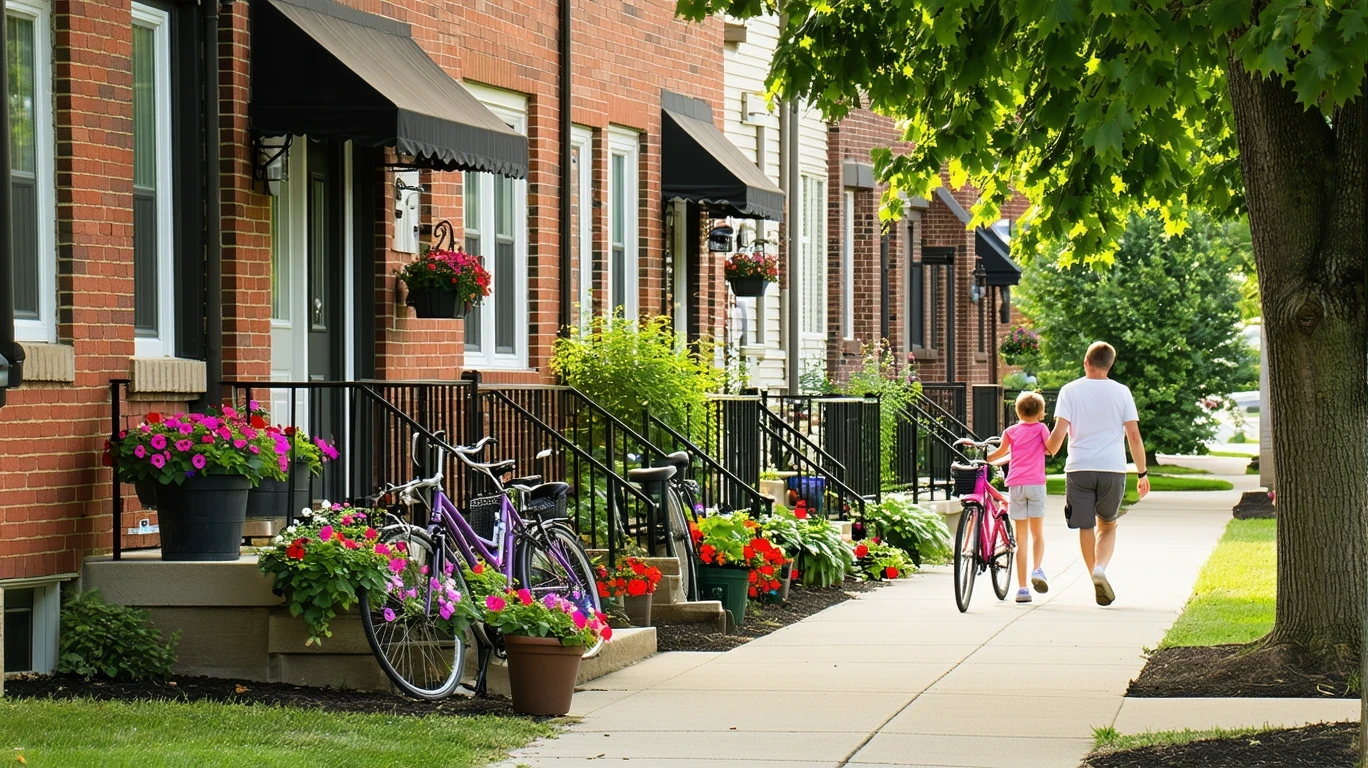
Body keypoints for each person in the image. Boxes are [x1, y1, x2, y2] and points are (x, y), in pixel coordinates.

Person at [1046, 341, 1149, 606]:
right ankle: (1100, 569)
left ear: (1086, 362)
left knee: (1085, 524)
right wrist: (1142, 472)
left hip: (1079, 467)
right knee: (1108, 524)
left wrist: (1045, 452)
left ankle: (1093, 574)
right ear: (1109, 365)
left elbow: (1058, 433)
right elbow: (1134, 436)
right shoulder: (1122, 392)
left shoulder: (1070, 391)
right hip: (1112, 468)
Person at [988, 391, 1054, 603]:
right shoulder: (1042, 429)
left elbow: (1001, 453)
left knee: (1021, 539)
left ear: (1017, 410)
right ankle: (1037, 569)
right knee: (1038, 534)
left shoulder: (1011, 431)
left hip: (1016, 485)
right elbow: (1050, 449)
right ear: (1041, 412)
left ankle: (1023, 589)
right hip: (1036, 484)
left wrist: (985, 458)